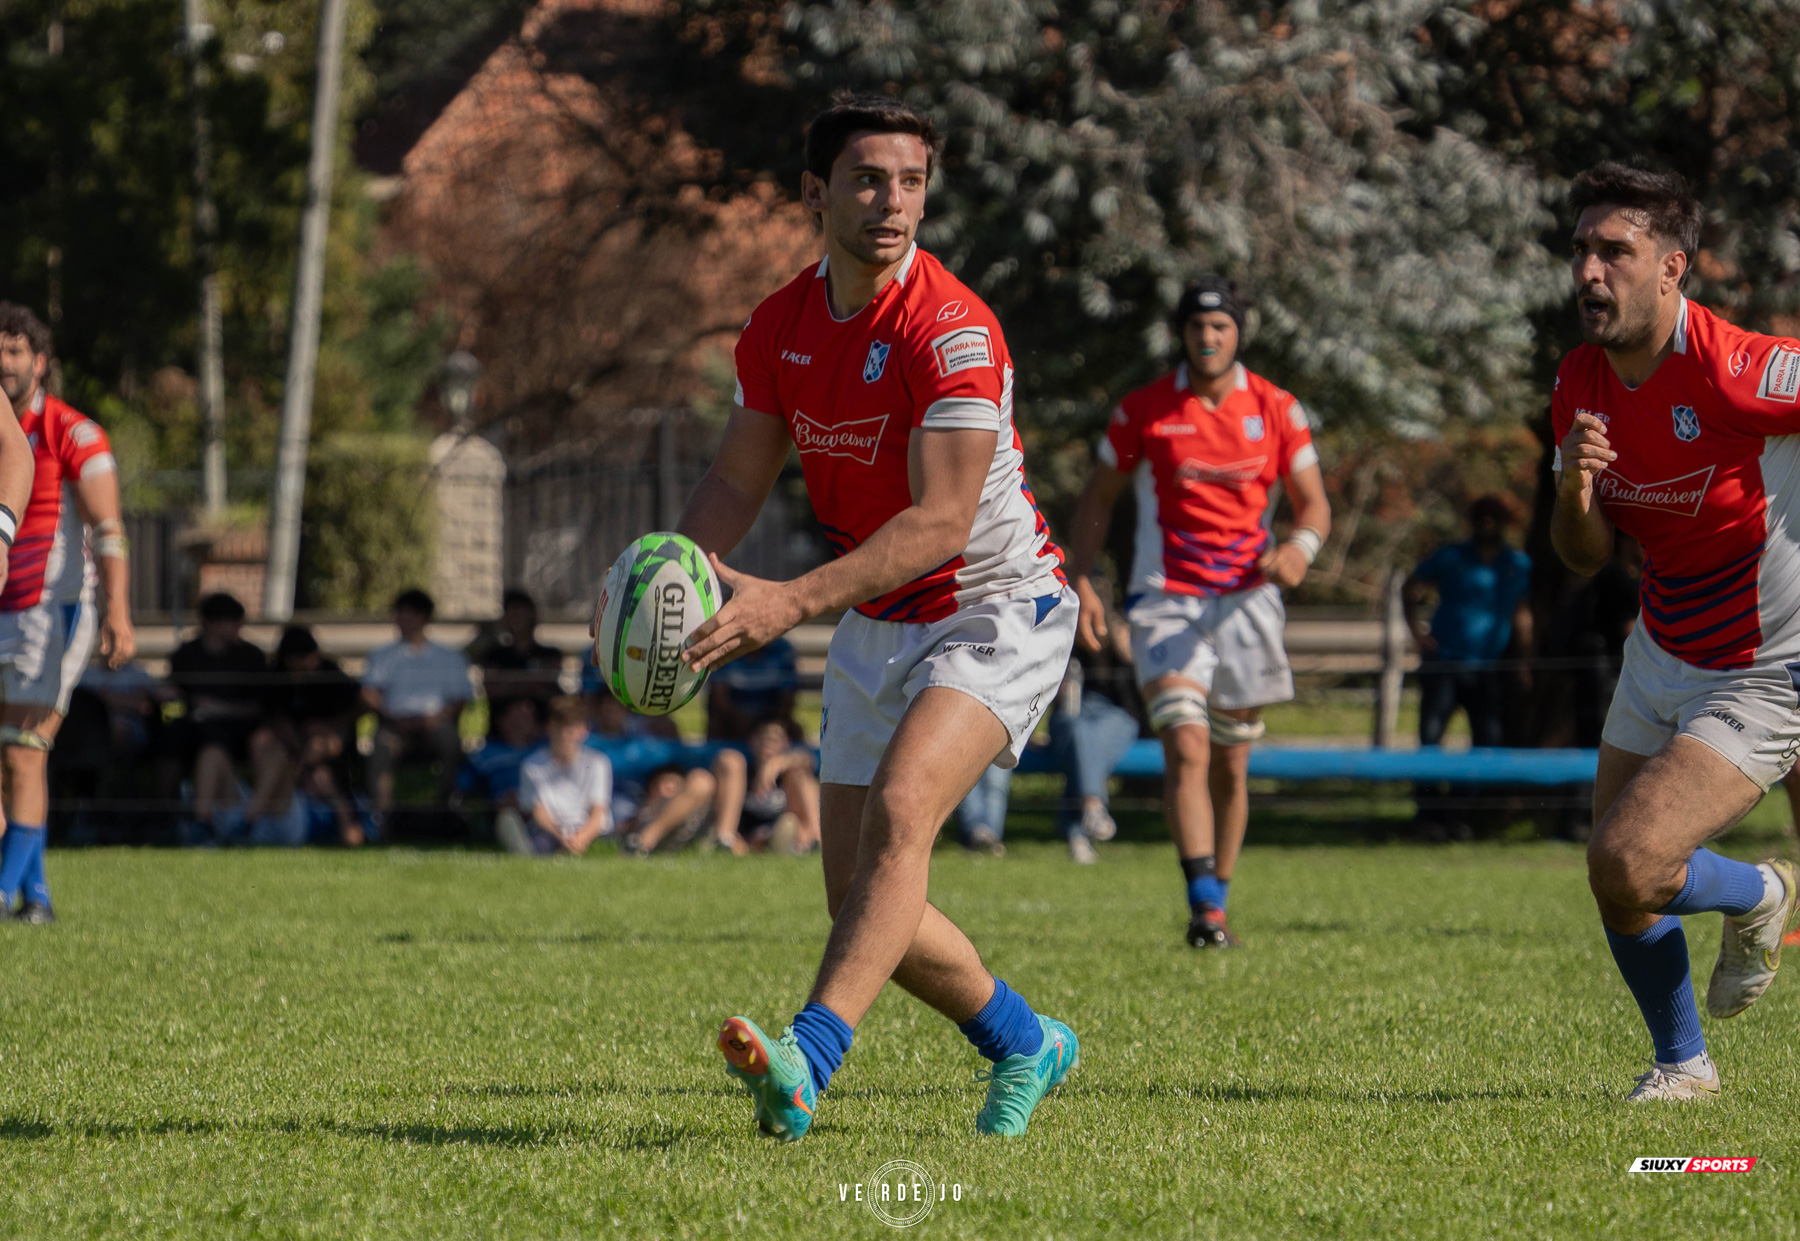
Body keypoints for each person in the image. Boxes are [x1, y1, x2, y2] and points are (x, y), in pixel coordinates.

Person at [652, 95, 1080, 1142]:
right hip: (874, 617)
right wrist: (665, 582)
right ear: (814, 193)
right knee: (858, 894)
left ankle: (807, 1060)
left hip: (992, 606)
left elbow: (938, 523)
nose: (893, 202)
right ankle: (1027, 1040)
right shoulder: (781, 325)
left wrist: (786, 602)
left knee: (902, 813)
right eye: (866, 179)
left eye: (912, 182)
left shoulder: (954, 327)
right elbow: (734, 477)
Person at [1550, 162, 1800, 1102]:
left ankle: (1760, 893)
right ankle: (1684, 1066)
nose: (1589, 271)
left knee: (1632, 856)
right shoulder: (1579, 379)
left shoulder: (1740, 369)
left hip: (1765, 667)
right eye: (1581, 249)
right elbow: (1581, 555)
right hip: (1660, 650)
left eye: (1615, 250)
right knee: (1614, 878)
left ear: (1673, 269)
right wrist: (1573, 485)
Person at [1065, 277, 1332, 949]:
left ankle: (1222, 894)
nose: (1208, 338)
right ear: (1181, 334)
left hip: (1246, 602)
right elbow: (1098, 497)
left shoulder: (1277, 408)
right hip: (1165, 599)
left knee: (1232, 764)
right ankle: (1203, 907)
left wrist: (1300, 548)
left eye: (1221, 326)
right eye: (1196, 327)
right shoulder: (1145, 410)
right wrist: (1080, 577)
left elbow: (1314, 504)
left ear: (1238, 332)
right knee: (1186, 742)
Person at [0, 303, 130, 920]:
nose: (4, 363)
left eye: (15, 350)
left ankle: (3, 892)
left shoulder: (73, 433)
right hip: (2, 609)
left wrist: (118, 613)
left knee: (25, 749)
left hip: (55, 611)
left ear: (40, 361)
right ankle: (38, 897)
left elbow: (109, 531)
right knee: (10, 758)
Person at [1403, 496, 1535, 837]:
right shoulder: (1451, 556)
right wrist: (1417, 632)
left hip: (1488, 668)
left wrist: (1523, 662)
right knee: (1431, 739)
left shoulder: (1516, 563)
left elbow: (1521, 614)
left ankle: (1458, 813)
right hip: (1444, 662)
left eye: (1495, 517)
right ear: (1473, 521)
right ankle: (1427, 816)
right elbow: (1411, 586)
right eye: (1482, 517)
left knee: (1487, 741)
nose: (1488, 524)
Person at [362, 589, 472, 828]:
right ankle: (383, 818)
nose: (403, 620)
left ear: (425, 618)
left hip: (436, 725)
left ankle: (447, 808)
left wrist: (435, 720)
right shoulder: (382, 655)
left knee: (450, 743)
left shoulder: (449, 657)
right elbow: (369, 693)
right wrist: (390, 716)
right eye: (400, 614)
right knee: (380, 748)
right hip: (395, 726)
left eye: (410, 614)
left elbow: (459, 699)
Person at [168, 593, 269, 841]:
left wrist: (218, 708)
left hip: (237, 733)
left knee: (213, 747)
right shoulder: (186, 654)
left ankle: (201, 822)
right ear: (212, 623)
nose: (239, 628)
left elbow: (260, 707)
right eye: (233, 622)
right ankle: (164, 815)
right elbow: (175, 694)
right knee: (167, 739)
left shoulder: (251, 657)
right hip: (193, 728)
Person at [253, 626, 365, 846]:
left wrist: (326, 726)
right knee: (317, 773)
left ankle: (252, 817)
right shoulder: (277, 678)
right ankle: (346, 824)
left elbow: (357, 708)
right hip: (289, 750)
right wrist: (293, 739)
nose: (301, 669)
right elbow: (273, 716)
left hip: (327, 749)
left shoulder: (332, 675)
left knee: (319, 757)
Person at [1047, 620, 1142, 864]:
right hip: (1071, 713)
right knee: (1077, 731)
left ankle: (1079, 830)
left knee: (1086, 739)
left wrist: (1124, 647)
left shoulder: (1127, 630)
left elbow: (1141, 687)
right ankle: (1093, 808)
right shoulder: (1062, 633)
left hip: (1116, 712)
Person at [500, 696, 612, 856]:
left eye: (570, 729)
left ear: (584, 730)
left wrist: (582, 838)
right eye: (559, 727)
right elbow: (538, 812)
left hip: (592, 834)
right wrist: (562, 837)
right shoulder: (531, 765)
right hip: (550, 834)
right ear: (548, 728)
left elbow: (598, 811)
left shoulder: (598, 763)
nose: (564, 735)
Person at [711, 716, 821, 855]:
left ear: (786, 743)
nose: (767, 743)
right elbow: (724, 758)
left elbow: (808, 760)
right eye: (762, 738)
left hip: (784, 829)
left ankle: (816, 841)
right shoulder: (742, 770)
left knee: (801, 777)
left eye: (774, 739)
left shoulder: (789, 774)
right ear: (752, 741)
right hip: (744, 833)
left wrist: (778, 763)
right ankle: (725, 841)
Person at [467, 588, 563, 733]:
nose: (517, 618)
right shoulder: (494, 654)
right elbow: (491, 688)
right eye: (512, 613)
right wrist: (532, 683)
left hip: (542, 732)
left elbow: (551, 682)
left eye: (521, 612)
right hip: (501, 733)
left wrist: (509, 683)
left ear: (533, 615)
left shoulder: (550, 653)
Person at [705, 635, 800, 740]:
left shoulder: (782, 649)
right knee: (717, 725)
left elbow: (787, 699)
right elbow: (719, 698)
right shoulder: (724, 648)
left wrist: (768, 723)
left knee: (791, 730)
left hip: (769, 717)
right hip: (731, 719)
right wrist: (739, 718)